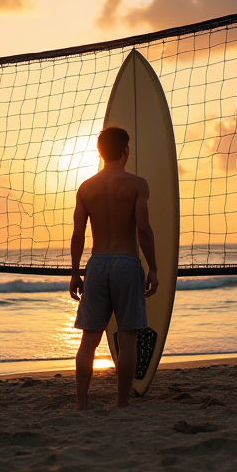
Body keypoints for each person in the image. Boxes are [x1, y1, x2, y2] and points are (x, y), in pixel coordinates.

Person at [69, 125, 159, 410]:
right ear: (125, 151)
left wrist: (75, 272)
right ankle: (121, 403)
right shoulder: (137, 184)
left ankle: (82, 403)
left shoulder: (86, 188)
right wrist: (153, 267)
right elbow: (143, 228)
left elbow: (78, 234)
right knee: (128, 338)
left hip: (96, 264)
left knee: (89, 341)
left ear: (99, 152)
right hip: (126, 262)